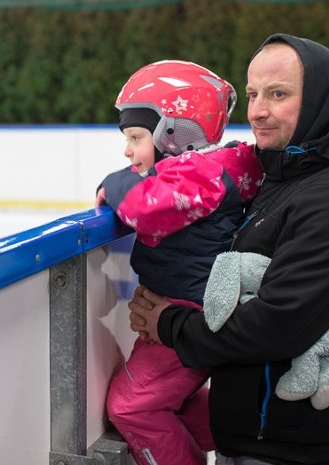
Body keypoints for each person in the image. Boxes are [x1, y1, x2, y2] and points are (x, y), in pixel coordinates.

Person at [127, 34, 329, 465]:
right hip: (256, 436)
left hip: (300, 451)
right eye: (254, 93)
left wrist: (170, 324)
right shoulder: (282, 172)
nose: (258, 110)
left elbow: (277, 326)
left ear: (320, 100)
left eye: (278, 94)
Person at [95, 60, 264, 465]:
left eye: (136, 136)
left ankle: (250, 434)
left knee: (130, 406)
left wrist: (113, 183)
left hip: (187, 311)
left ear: (175, 133)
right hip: (184, 306)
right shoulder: (217, 167)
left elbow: (143, 207)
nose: (127, 149)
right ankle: (248, 431)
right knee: (177, 401)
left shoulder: (199, 175)